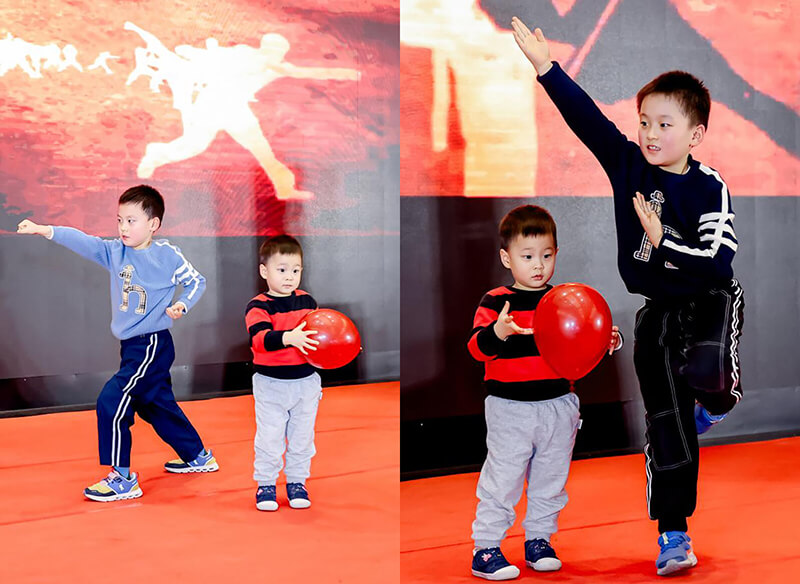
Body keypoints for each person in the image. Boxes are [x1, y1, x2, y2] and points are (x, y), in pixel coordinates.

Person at [511, 17, 745, 576]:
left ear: (695, 135)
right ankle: (673, 534)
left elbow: (717, 261)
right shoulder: (629, 166)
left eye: (664, 124)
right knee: (666, 422)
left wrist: (665, 242)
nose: (650, 134)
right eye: (643, 122)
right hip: (658, 309)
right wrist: (547, 69)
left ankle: (714, 406)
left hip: (708, 297)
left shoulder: (709, 185)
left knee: (710, 374)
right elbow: (588, 121)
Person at [16, 184, 218, 502]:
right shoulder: (115, 252)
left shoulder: (167, 255)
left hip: (152, 345)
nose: (123, 227)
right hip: (132, 347)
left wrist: (182, 304)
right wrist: (45, 230)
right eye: (120, 220)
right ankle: (197, 455)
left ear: (153, 224)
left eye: (131, 221)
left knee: (112, 401)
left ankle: (122, 478)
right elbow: (83, 241)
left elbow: (196, 281)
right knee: (155, 404)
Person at [467, 205, 621, 580]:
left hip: (559, 406)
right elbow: (476, 349)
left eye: (546, 255)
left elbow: (580, 346)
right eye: (527, 256)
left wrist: (604, 340)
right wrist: (498, 332)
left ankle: (539, 540)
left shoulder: (564, 301)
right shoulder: (495, 302)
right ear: (507, 258)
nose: (538, 265)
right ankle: (486, 548)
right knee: (502, 479)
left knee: (550, 481)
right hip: (510, 408)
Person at [245, 234, 323, 511]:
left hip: (306, 384)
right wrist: (289, 338)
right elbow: (259, 339)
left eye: (295, 270)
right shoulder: (258, 306)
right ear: (264, 271)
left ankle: (297, 482)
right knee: (270, 437)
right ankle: (266, 484)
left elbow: (320, 335)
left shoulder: (307, 302)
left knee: (303, 438)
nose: (289, 277)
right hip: (271, 385)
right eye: (282, 269)